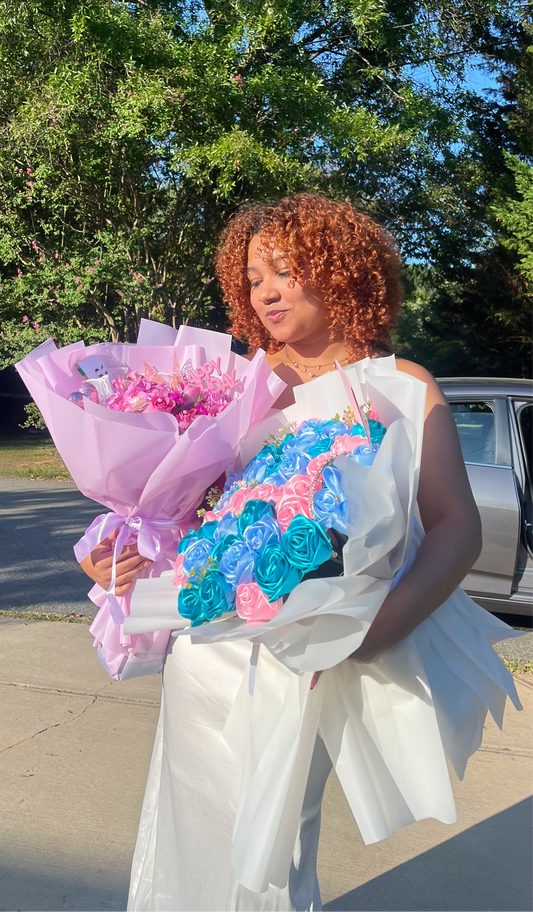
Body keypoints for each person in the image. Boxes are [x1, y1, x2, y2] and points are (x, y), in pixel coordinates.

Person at [79, 193, 507, 912]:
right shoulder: (235, 387)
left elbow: (456, 527)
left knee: (273, 836)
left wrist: (376, 630)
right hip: (208, 645)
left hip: (312, 654)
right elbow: (169, 513)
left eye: (284, 269)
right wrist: (120, 558)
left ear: (340, 271)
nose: (265, 292)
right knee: (188, 814)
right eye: (252, 278)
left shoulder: (403, 386)